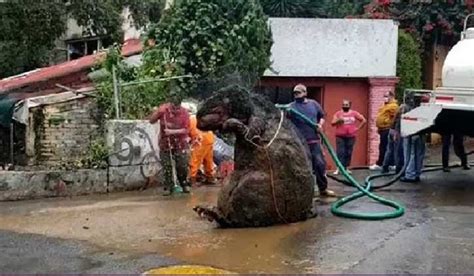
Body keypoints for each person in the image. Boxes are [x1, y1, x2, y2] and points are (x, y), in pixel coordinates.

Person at [288, 84, 336, 197]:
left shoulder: (313, 104)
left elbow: (323, 116)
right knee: (302, 166)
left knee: (320, 164)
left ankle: (323, 189)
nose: (297, 95)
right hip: (299, 142)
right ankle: (303, 192)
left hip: (314, 140)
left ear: (305, 93)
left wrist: (320, 125)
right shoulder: (290, 107)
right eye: (295, 93)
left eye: (299, 92)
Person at [148, 89, 191, 195]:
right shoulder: (164, 110)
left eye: (177, 107)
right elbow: (151, 121)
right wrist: (158, 112)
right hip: (165, 143)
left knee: (182, 165)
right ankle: (169, 186)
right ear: (170, 103)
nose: (175, 109)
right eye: (173, 107)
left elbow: (186, 130)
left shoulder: (184, 113)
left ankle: (184, 183)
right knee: (167, 165)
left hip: (180, 143)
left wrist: (171, 131)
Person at [331, 100, 366, 174]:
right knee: (340, 152)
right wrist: (338, 120)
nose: (345, 106)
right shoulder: (338, 113)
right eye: (343, 104)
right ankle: (338, 168)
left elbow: (363, 120)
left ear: (349, 105)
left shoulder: (354, 113)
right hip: (340, 136)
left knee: (349, 152)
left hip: (351, 136)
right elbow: (332, 123)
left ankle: (346, 168)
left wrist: (358, 128)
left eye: (346, 105)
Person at [186, 102, 216, 186]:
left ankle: (192, 179)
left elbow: (188, 132)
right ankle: (210, 177)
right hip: (209, 138)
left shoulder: (190, 119)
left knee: (195, 160)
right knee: (208, 160)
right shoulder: (199, 117)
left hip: (200, 140)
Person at [400, 93, 427, 183]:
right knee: (419, 154)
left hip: (412, 134)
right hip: (421, 134)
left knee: (411, 155)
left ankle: (410, 175)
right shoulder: (424, 109)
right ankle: (417, 174)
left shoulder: (408, 109)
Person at [370, 91, 399, 170]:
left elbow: (394, 118)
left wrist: (388, 123)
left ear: (391, 96)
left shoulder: (393, 106)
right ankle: (387, 163)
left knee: (385, 147)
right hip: (382, 128)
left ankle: (383, 163)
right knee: (384, 146)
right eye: (384, 96)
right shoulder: (385, 106)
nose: (385, 98)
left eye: (386, 96)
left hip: (387, 128)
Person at [381, 103, 406, 174]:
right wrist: (396, 134)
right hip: (396, 133)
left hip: (391, 131)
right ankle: (398, 169)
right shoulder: (401, 116)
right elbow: (398, 125)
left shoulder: (396, 114)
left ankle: (384, 167)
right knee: (397, 152)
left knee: (389, 150)